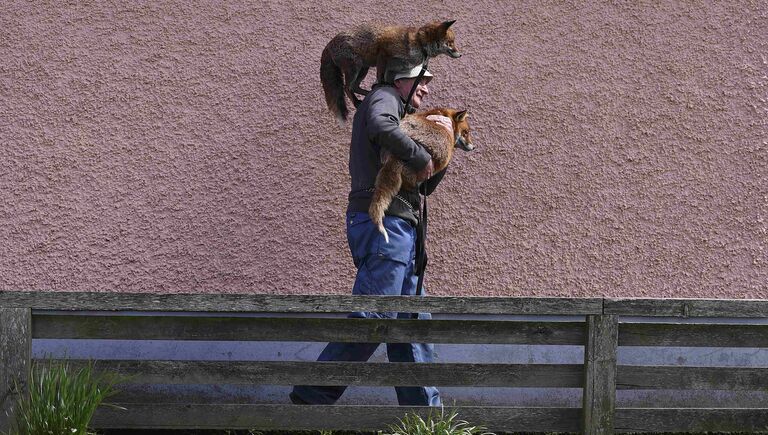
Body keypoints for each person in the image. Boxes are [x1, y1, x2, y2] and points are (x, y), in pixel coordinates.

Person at [290, 64, 451, 407]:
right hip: (385, 225)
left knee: (411, 322)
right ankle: (310, 402)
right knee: (375, 315)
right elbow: (379, 124)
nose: (426, 90)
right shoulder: (384, 97)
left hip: (401, 227)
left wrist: (444, 142)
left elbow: (426, 185)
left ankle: (426, 416)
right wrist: (421, 152)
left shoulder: (404, 115)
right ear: (399, 79)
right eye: (421, 81)